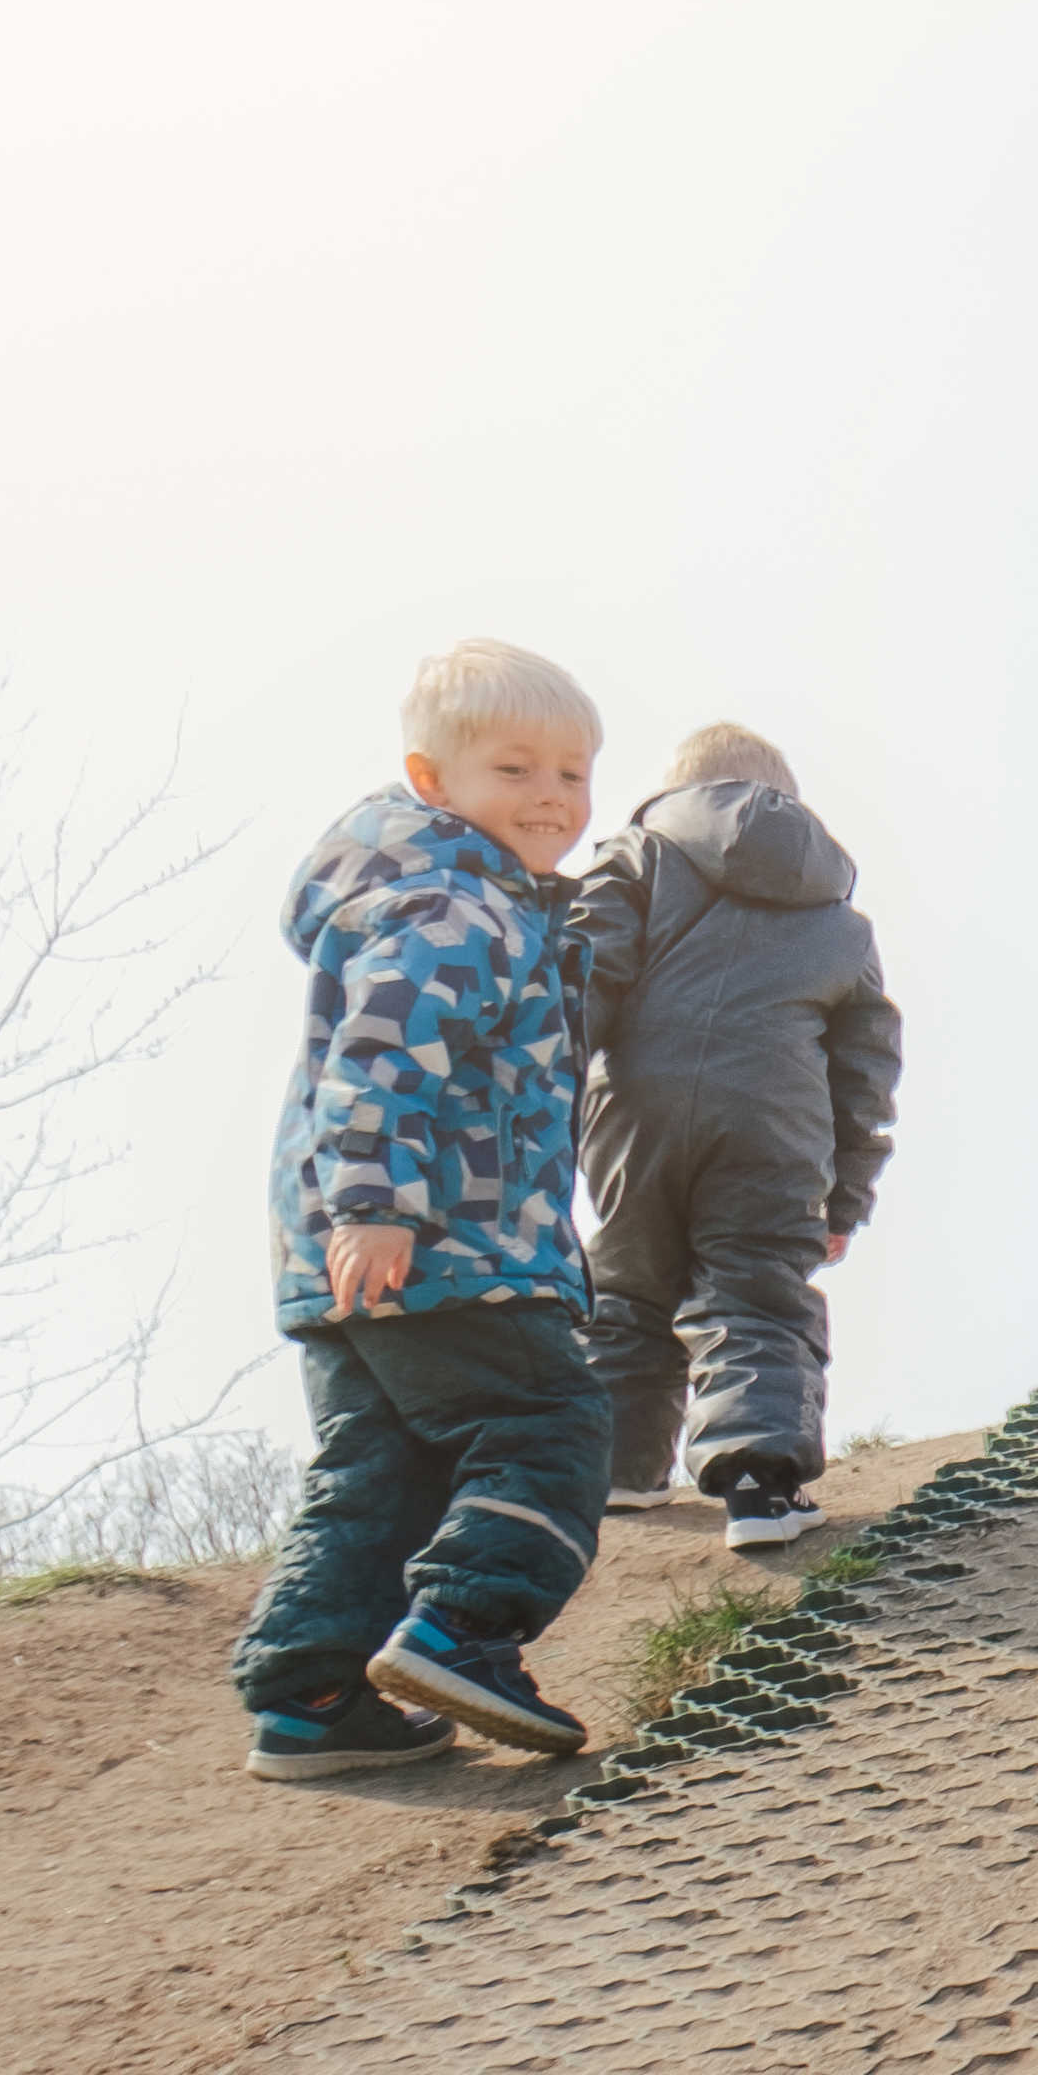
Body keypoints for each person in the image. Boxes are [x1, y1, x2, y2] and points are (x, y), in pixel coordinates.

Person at [231, 637, 616, 1777]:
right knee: (548, 1426)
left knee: (380, 1469)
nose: (551, 796)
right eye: (516, 769)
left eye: (573, 773)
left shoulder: (428, 896)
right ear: (431, 779)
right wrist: (378, 1202)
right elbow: (385, 1057)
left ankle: (313, 1696)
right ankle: (465, 1630)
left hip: (344, 1255)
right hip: (449, 1245)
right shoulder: (459, 905)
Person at [573, 720, 903, 1555]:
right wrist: (843, 1200)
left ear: (677, 792)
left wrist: (540, 1095)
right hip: (773, 1128)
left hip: (633, 1114)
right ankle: (758, 1486)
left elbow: (584, 978)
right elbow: (864, 1074)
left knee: (630, 1285)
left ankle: (616, 1469)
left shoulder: (635, 857)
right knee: (753, 1290)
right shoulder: (839, 919)